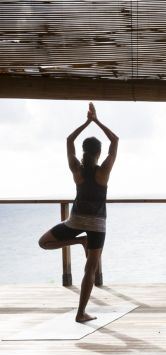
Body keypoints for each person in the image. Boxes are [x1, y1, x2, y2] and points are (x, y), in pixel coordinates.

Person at [39, 103, 119, 322]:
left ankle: (79, 242)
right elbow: (115, 141)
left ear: (84, 152)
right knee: (90, 270)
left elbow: (68, 141)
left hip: (75, 222)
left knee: (43, 243)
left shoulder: (77, 170)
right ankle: (80, 313)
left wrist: (86, 122)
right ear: (99, 153)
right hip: (97, 226)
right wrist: (97, 121)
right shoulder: (104, 171)